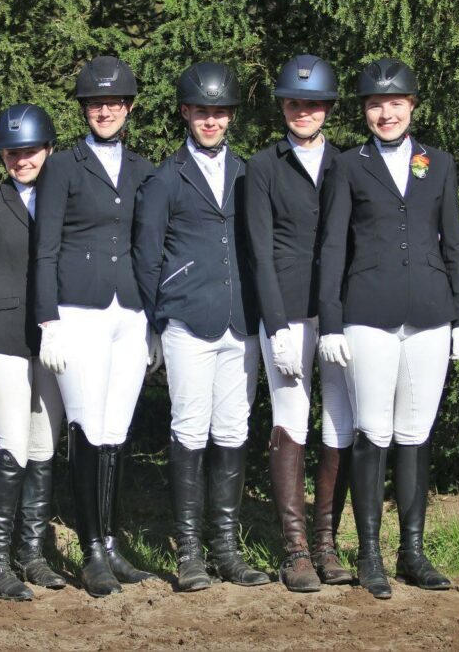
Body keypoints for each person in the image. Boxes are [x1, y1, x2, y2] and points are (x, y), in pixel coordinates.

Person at [317, 58, 459, 599]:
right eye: (375, 105)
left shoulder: (439, 163)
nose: (386, 114)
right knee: (373, 431)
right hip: (367, 315)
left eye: (395, 104)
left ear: (412, 106)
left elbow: (453, 242)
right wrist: (331, 321)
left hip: (430, 313)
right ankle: (369, 555)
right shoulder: (348, 165)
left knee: (415, 432)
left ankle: (413, 551)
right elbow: (333, 247)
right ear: (365, 111)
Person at [133, 62, 268, 592]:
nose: (211, 121)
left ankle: (226, 549)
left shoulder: (248, 174)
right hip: (188, 320)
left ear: (230, 116)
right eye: (202, 112)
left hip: (241, 319)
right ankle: (189, 551)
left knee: (233, 429)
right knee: (190, 428)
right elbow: (147, 257)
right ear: (186, 113)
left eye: (220, 113)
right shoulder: (164, 179)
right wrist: (154, 322)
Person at [34, 56, 159, 597]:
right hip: (78, 312)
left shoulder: (144, 170)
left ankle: (110, 543)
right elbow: (45, 249)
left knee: (116, 431)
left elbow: (150, 248)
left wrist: (155, 322)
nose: (104, 111)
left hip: (129, 312)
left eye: (113, 103)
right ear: (84, 109)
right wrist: (48, 320)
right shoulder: (63, 166)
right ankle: (89, 551)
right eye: (95, 104)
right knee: (86, 427)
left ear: (128, 108)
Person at [245, 54, 355, 592]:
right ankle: (295, 550)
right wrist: (275, 325)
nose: (302, 111)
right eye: (293, 103)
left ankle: (326, 541)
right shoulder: (263, 167)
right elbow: (260, 253)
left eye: (312, 104)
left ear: (327, 108)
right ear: (283, 107)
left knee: (340, 420)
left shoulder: (347, 164)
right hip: (286, 311)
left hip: (340, 312)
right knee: (291, 416)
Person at [0, 104, 67, 601]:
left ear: (48, 150)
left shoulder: (63, 201)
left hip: (53, 341)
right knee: (13, 448)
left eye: (31, 151)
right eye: (11, 153)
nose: (21, 161)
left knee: (44, 449)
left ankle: (32, 553)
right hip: (2, 340)